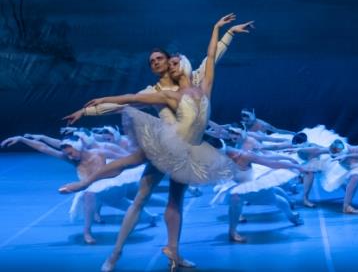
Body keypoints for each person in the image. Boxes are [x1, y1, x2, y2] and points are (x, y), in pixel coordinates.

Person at [60, 14, 252, 271]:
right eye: (153, 62)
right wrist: (87, 112)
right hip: (165, 144)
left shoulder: (196, 82)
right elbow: (125, 101)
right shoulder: (157, 93)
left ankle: (174, 253)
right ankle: (113, 251)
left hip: (188, 151)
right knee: (138, 184)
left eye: (162, 59)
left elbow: (212, 58)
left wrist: (225, 32)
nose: (159, 64)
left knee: (176, 202)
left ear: (175, 62)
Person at [0, 134, 153, 244]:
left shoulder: (99, 153)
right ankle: (87, 232)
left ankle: (149, 217)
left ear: (79, 147)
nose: (70, 157)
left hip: (112, 189)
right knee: (90, 195)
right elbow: (45, 148)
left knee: (93, 195)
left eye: (71, 152)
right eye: (68, 154)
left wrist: (143, 160)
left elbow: (126, 156)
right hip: (97, 193)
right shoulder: (72, 159)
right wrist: (22, 139)